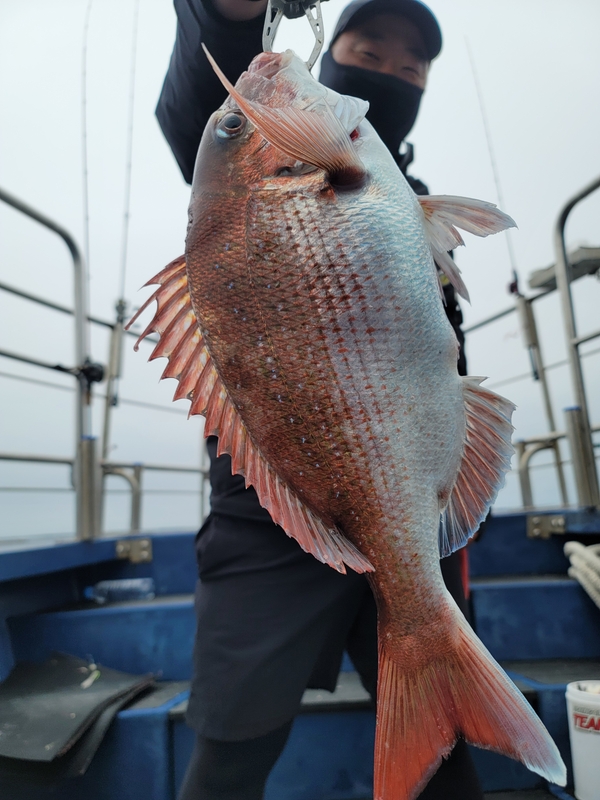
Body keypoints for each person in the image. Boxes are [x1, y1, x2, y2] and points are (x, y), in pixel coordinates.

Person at [156, 1, 481, 798]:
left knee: (449, 763)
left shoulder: (401, 194)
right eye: (367, 51)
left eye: (410, 69)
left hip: (410, 504)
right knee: (231, 747)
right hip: (270, 516)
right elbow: (204, 92)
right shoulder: (254, 166)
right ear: (327, 51)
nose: (390, 74)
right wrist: (229, 16)